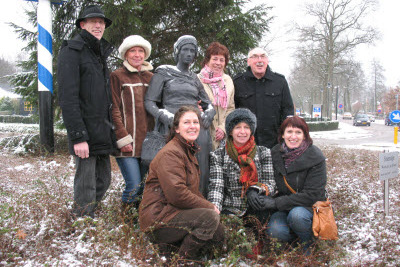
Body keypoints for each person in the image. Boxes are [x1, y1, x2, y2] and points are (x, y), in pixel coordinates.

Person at [139, 106, 225, 261]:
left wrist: (209, 206)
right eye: (186, 122)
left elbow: (191, 191)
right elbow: (177, 194)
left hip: (173, 212)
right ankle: (181, 261)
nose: (192, 126)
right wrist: (209, 206)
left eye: (195, 122)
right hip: (159, 219)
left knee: (218, 231)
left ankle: (173, 251)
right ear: (177, 128)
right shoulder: (171, 153)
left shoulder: (186, 150)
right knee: (209, 218)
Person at [57, 5, 115, 218]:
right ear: (83, 24)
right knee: (86, 185)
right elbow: (68, 98)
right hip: (85, 133)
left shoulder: (99, 53)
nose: (98, 25)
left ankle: (88, 215)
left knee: (104, 180)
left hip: (101, 131)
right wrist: (78, 136)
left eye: (101, 22)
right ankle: (81, 223)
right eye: (93, 21)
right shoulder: (72, 51)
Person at [145, 35, 215, 197]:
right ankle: (169, 200)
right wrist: (165, 116)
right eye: (185, 50)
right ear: (177, 52)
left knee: (201, 158)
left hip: (194, 124)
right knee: (173, 163)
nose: (189, 54)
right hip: (172, 123)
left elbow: (207, 102)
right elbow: (149, 102)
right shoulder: (164, 72)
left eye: (192, 50)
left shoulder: (194, 78)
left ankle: (200, 197)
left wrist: (210, 112)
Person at [208, 108, 275, 257]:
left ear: (252, 131)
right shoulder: (218, 155)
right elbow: (217, 185)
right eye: (238, 127)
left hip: (255, 205)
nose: (242, 132)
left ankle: (258, 242)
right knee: (229, 240)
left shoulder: (264, 152)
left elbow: (270, 182)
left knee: (261, 218)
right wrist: (214, 209)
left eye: (246, 127)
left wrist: (255, 189)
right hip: (230, 206)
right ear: (230, 131)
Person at [263, 116, 327, 253]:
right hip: (283, 208)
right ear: (282, 135)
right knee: (275, 231)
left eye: (298, 132)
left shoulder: (315, 157)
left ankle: (308, 244)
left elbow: (313, 195)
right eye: (289, 132)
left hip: (308, 207)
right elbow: (268, 180)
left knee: (297, 216)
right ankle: (295, 239)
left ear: (304, 136)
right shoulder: (275, 153)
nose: (293, 136)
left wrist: (277, 203)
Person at [110, 35, 154, 211]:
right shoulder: (117, 76)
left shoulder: (151, 77)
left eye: (140, 51)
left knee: (143, 186)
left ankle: (138, 223)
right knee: (134, 185)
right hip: (127, 142)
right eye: (133, 51)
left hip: (147, 143)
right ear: (125, 54)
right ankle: (126, 222)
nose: (137, 55)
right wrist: (122, 137)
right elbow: (113, 108)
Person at [234, 47, 294, 148]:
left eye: (263, 57)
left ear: (267, 60)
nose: (259, 60)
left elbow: (288, 110)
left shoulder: (280, 82)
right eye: (255, 57)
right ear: (248, 61)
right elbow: (232, 111)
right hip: (245, 144)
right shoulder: (237, 82)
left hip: (274, 143)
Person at [198, 42, 235, 150]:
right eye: (215, 59)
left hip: (222, 138)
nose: (218, 63)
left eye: (221, 60)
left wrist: (223, 128)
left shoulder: (228, 81)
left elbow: (230, 108)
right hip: (202, 134)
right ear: (207, 60)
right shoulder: (197, 80)